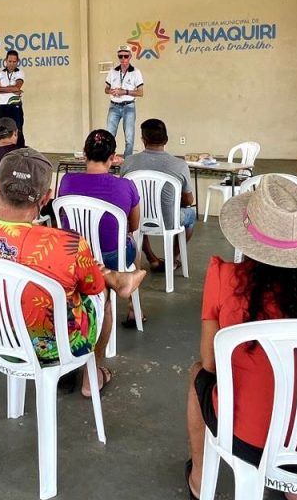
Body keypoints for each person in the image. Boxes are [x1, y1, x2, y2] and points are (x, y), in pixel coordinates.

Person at [185, 175, 297, 500]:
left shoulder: (226, 278)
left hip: (253, 439)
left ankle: (199, 479)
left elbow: (210, 363)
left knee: (198, 373)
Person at [0, 148, 146, 396]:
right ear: (45, 198)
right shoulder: (66, 244)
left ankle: (114, 278)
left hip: (2, 340)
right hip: (60, 347)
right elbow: (92, 289)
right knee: (101, 291)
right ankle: (91, 375)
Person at [57, 129, 143, 326]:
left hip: (74, 255)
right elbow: (134, 225)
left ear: (84, 154)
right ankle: (133, 306)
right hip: (112, 256)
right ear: (113, 158)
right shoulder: (126, 185)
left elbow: (62, 218)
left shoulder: (67, 181)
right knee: (133, 246)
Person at [119, 118, 196, 273]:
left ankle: (152, 259)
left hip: (137, 218)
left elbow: (125, 194)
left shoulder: (128, 162)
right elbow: (189, 200)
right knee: (191, 214)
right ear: (166, 140)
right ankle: (172, 259)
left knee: (137, 214)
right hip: (170, 220)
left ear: (143, 140)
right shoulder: (180, 165)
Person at [105, 45, 144, 157]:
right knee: (109, 136)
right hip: (114, 105)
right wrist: (111, 91)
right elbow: (106, 89)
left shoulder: (136, 72)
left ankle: (127, 161)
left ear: (130, 56)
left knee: (129, 138)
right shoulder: (113, 71)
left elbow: (140, 92)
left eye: (126, 56)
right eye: (120, 56)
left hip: (129, 106)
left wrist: (124, 92)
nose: (123, 59)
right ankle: (108, 159)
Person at [0, 50, 25, 147]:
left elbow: (17, 87)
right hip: (2, 106)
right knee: (2, 131)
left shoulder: (20, 73)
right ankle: (3, 152)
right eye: (10, 61)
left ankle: (19, 152)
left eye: (14, 61)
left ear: (18, 61)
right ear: (5, 61)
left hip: (15, 106)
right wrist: (12, 89)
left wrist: (1, 89)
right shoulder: (0, 73)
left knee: (17, 130)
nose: (12, 64)